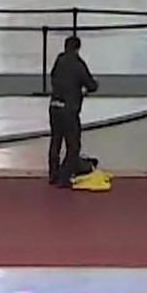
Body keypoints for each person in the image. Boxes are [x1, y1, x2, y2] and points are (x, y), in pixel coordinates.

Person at [47, 35, 98, 187]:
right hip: (69, 110)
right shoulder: (78, 64)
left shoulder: (59, 60)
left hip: (54, 106)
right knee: (73, 145)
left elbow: (53, 77)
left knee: (55, 141)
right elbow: (91, 85)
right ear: (77, 48)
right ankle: (64, 176)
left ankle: (53, 174)